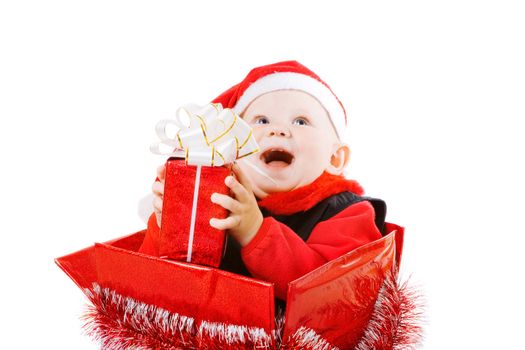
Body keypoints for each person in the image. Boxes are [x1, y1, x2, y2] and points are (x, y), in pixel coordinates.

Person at [138, 60, 387, 301]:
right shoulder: (216, 201)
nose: (277, 130)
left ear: (335, 158)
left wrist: (254, 231)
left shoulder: (349, 214)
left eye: (301, 121)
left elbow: (327, 293)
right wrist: (170, 227)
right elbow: (154, 288)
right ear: (231, 146)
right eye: (262, 121)